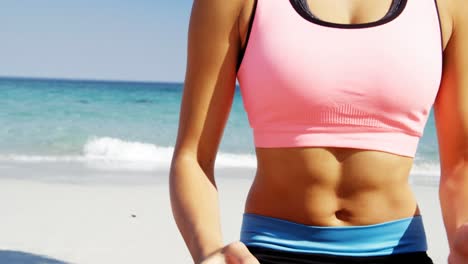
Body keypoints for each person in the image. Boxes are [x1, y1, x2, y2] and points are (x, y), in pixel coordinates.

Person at [169, 0, 468, 263]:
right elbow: (193, 157)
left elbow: (460, 165)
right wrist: (208, 249)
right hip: (271, 251)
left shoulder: (448, 6)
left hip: (399, 251)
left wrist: (461, 237)